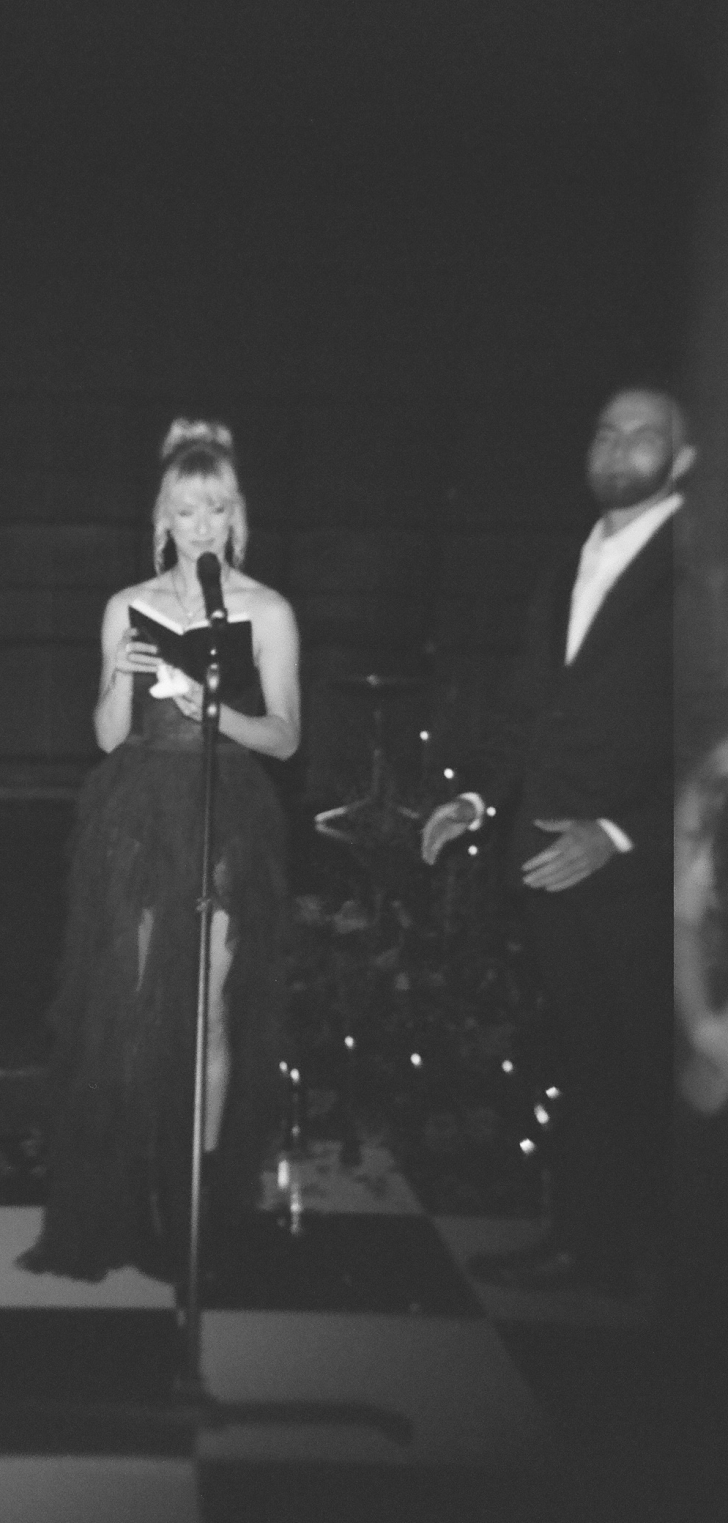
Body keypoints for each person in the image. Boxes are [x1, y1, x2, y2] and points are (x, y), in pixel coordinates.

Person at [421, 386, 689, 1297]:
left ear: (682, 459)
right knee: (586, 1062)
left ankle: (671, 1280)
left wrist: (618, 835)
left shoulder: (703, 570)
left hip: (651, 876)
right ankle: (581, 1243)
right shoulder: (569, 562)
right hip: (549, 864)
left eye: (644, 434)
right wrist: (474, 801)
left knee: (657, 1077)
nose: (620, 446)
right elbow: (529, 712)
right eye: (608, 431)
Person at [20, 419, 300, 1283]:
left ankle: (201, 1189)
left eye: (217, 507)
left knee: (209, 1006)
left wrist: (216, 710)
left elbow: (285, 736)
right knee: (138, 1004)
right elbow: (108, 736)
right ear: (163, 517)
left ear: (236, 512)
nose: (203, 525)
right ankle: (140, 1181)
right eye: (187, 509)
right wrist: (123, 674)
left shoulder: (265, 608)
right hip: (139, 810)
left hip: (224, 810)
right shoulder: (126, 604)